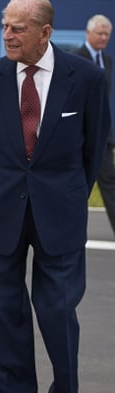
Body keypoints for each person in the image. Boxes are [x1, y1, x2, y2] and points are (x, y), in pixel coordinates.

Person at [0, 0, 109, 393]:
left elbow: (92, 152)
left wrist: (66, 194)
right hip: (3, 215)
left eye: (18, 28)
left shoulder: (86, 78)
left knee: (58, 317)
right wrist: (11, 186)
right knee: (5, 320)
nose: (8, 35)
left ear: (45, 32)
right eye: (5, 26)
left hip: (60, 218)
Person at [72, 15, 114, 236]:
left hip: (103, 135)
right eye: (100, 33)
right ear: (88, 33)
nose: (104, 37)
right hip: (80, 134)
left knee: (110, 181)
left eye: (107, 34)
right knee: (75, 184)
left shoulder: (107, 60)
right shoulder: (75, 59)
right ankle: (69, 228)